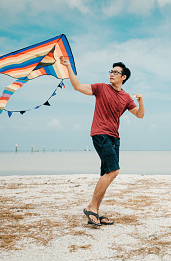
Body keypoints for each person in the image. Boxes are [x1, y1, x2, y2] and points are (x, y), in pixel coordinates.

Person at [60, 57, 145, 226]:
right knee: (114, 171)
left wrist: (141, 102)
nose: (112, 74)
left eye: (116, 72)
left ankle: (96, 212)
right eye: (111, 71)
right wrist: (68, 67)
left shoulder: (126, 97)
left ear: (124, 77)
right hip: (100, 134)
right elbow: (77, 86)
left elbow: (139, 115)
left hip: (115, 138)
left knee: (105, 174)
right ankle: (91, 207)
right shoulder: (101, 88)